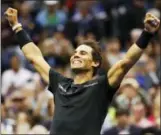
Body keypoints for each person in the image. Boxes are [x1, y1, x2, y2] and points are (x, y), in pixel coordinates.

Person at [4, 7, 160, 135]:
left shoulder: (101, 86)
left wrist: (146, 33)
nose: (76, 55)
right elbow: (35, 58)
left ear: (95, 62)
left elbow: (125, 62)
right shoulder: (60, 83)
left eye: (83, 53)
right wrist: (17, 26)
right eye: (75, 52)